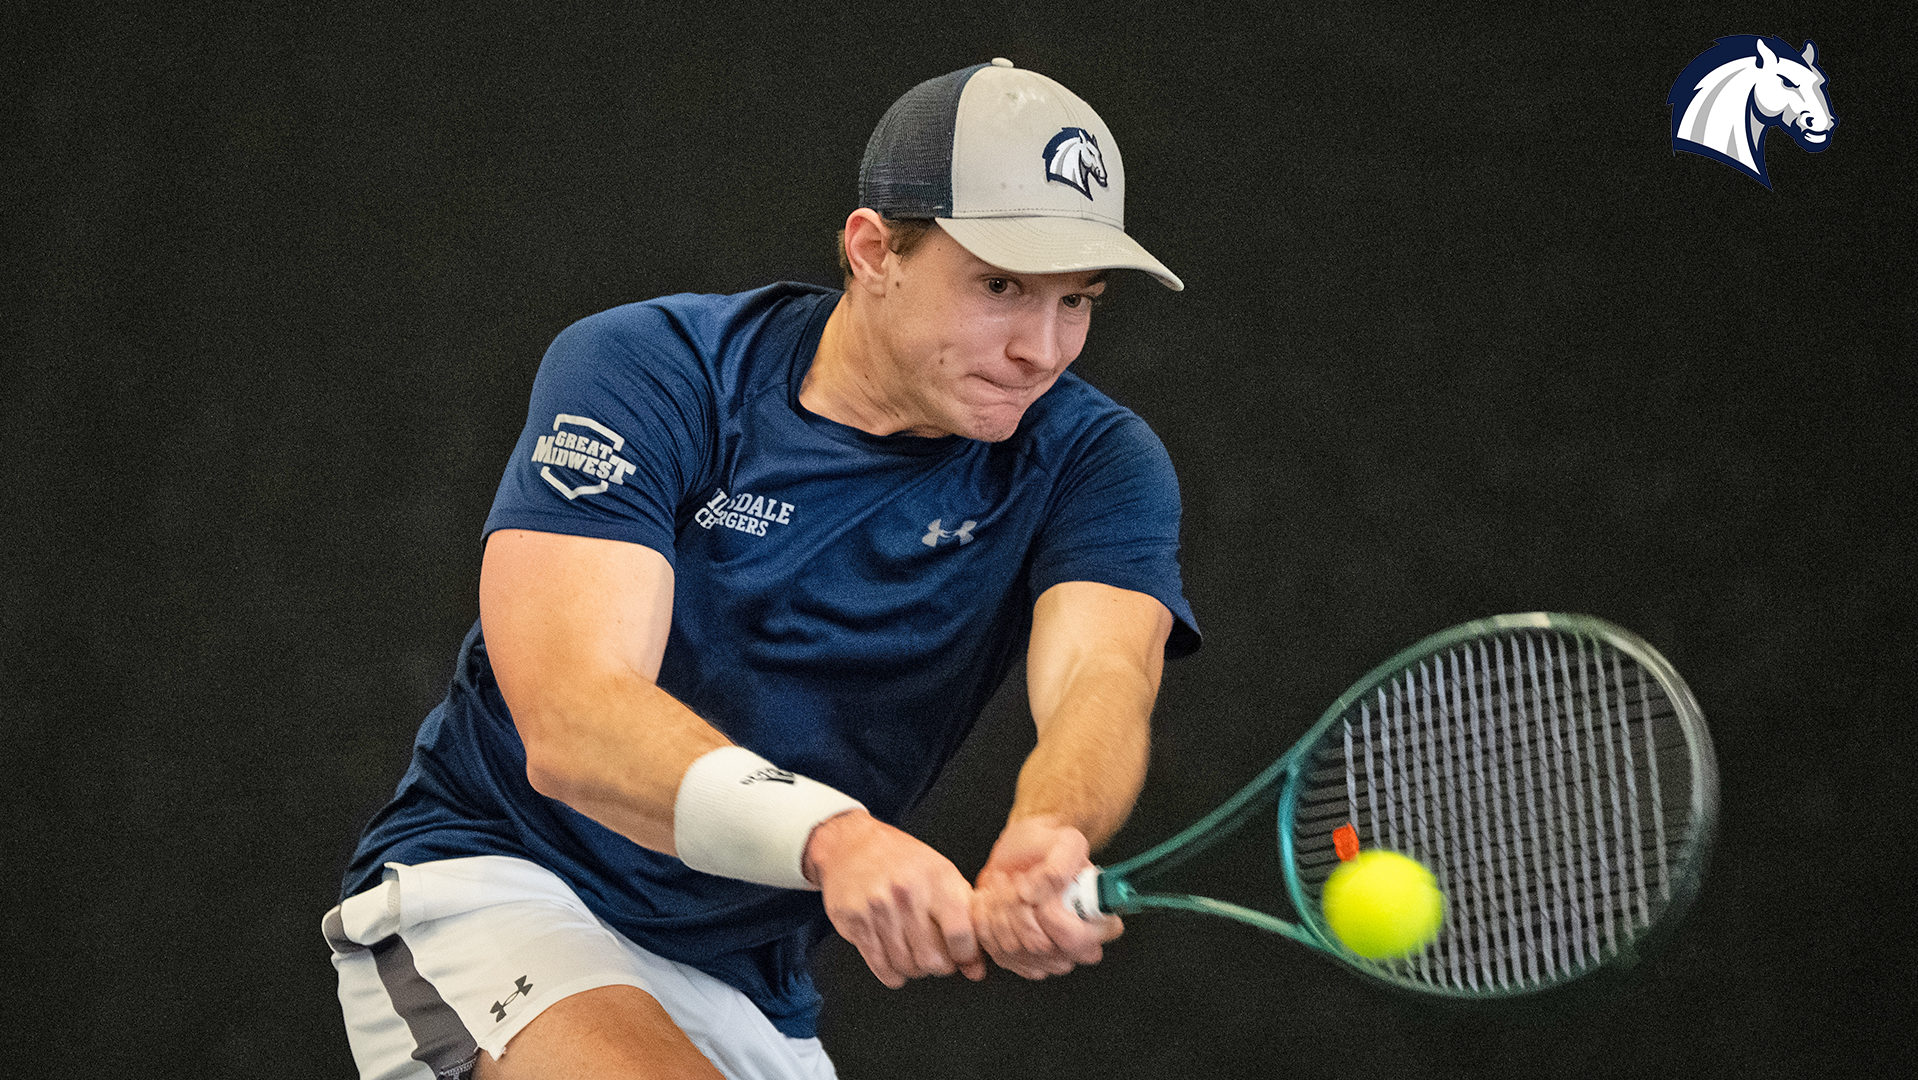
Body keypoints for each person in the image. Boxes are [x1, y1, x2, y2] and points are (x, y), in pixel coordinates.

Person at [323, 58, 1200, 1080]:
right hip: (501, 885)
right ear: (875, 251)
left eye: (1077, 302)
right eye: (1000, 287)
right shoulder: (651, 369)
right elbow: (570, 719)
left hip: (742, 979)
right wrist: (831, 836)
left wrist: (1050, 829)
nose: (1041, 350)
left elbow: (1102, 679)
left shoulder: (1095, 460)